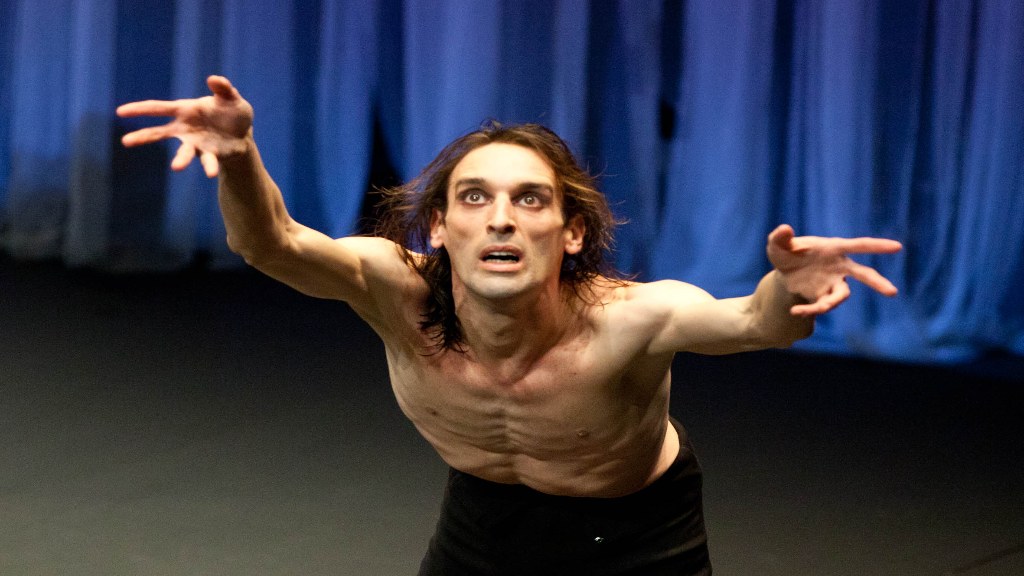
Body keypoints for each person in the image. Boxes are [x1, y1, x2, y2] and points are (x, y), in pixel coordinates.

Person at [117, 76, 902, 576]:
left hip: (634, 538)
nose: (501, 220)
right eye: (474, 198)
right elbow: (273, 244)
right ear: (438, 228)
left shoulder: (629, 319)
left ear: (571, 232)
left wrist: (789, 289)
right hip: (483, 518)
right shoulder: (393, 289)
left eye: (530, 199)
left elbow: (753, 323)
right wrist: (240, 155)